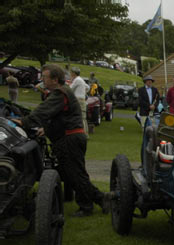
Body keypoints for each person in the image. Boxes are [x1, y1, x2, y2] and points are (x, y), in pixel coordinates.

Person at [13, 64, 111, 217]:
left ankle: (93, 203)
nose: (42, 79)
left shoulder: (60, 93)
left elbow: (43, 111)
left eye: (44, 77)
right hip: (70, 138)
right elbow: (58, 116)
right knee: (70, 173)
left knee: (75, 175)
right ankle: (98, 199)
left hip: (70, 139)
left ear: (54, 79)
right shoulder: (62, 92)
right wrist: (46, 129)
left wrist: (23, 122)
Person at [69, 67, 89, 135]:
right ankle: (85, 133)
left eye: (71, 73)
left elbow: (70, 89)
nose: (70, 74)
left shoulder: (76, 80)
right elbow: (88, 87)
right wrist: (83, 92)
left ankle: (83, 133)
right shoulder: (81, 79)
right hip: (82, 99)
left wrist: (70, 82)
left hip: (78, 100)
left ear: (74, 73)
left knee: (80, 117)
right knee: (83, 117)